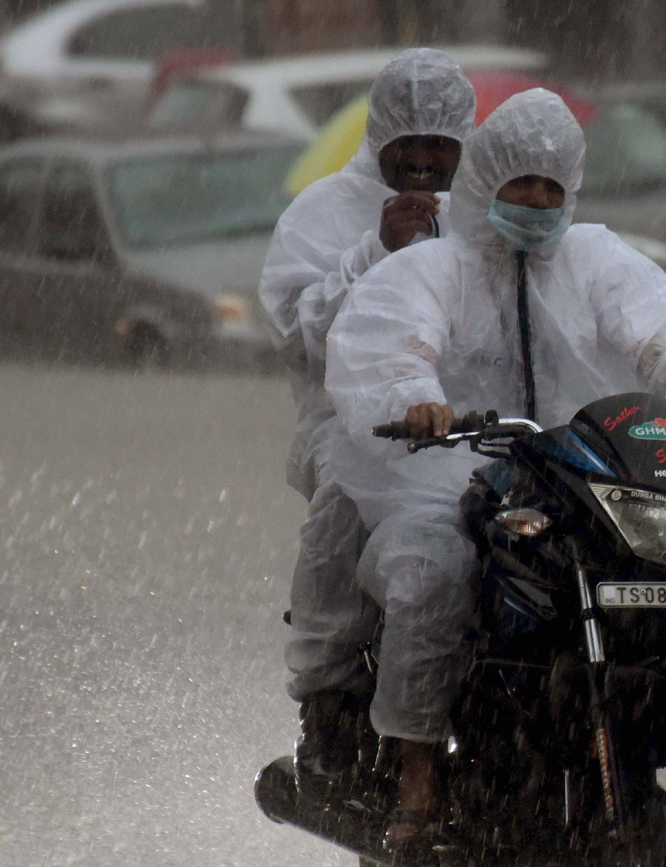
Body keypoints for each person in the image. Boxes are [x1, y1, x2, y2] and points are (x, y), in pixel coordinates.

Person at [324, 88, 666, 844]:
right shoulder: (437, 266)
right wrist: (417, 399)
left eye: (550, 187)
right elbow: (394, 338)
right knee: (432, 571)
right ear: (484, 183)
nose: (536, 201)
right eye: (520, 184)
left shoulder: (599, 260)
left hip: (578, 466)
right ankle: (418, 770)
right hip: (450, 467)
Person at [257, 48, 477, 779]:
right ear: (379, 139)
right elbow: (298, 338)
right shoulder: (321, 212)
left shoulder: (488, 213)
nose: (422, 162)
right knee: (341, 509)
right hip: (347, 424)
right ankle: (327, 698)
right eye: (405, 146)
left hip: (472, 424)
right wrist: (376, 248)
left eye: (438, 146)